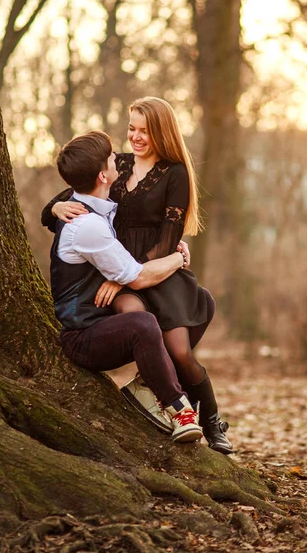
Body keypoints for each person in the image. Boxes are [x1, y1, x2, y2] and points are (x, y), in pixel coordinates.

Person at [42, 97, 233, 455]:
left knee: (181, 352)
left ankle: (212, 422)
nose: (136, 137)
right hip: (119, 269)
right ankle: (169, 402)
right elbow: (73, 192)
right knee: (136, 319)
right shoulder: (116, 165)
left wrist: (125, 274)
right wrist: (54, 206)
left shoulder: (175, 172)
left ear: (161, 132)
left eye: (145, 130)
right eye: (132, 128)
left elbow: (168, 238)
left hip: (155, 267)